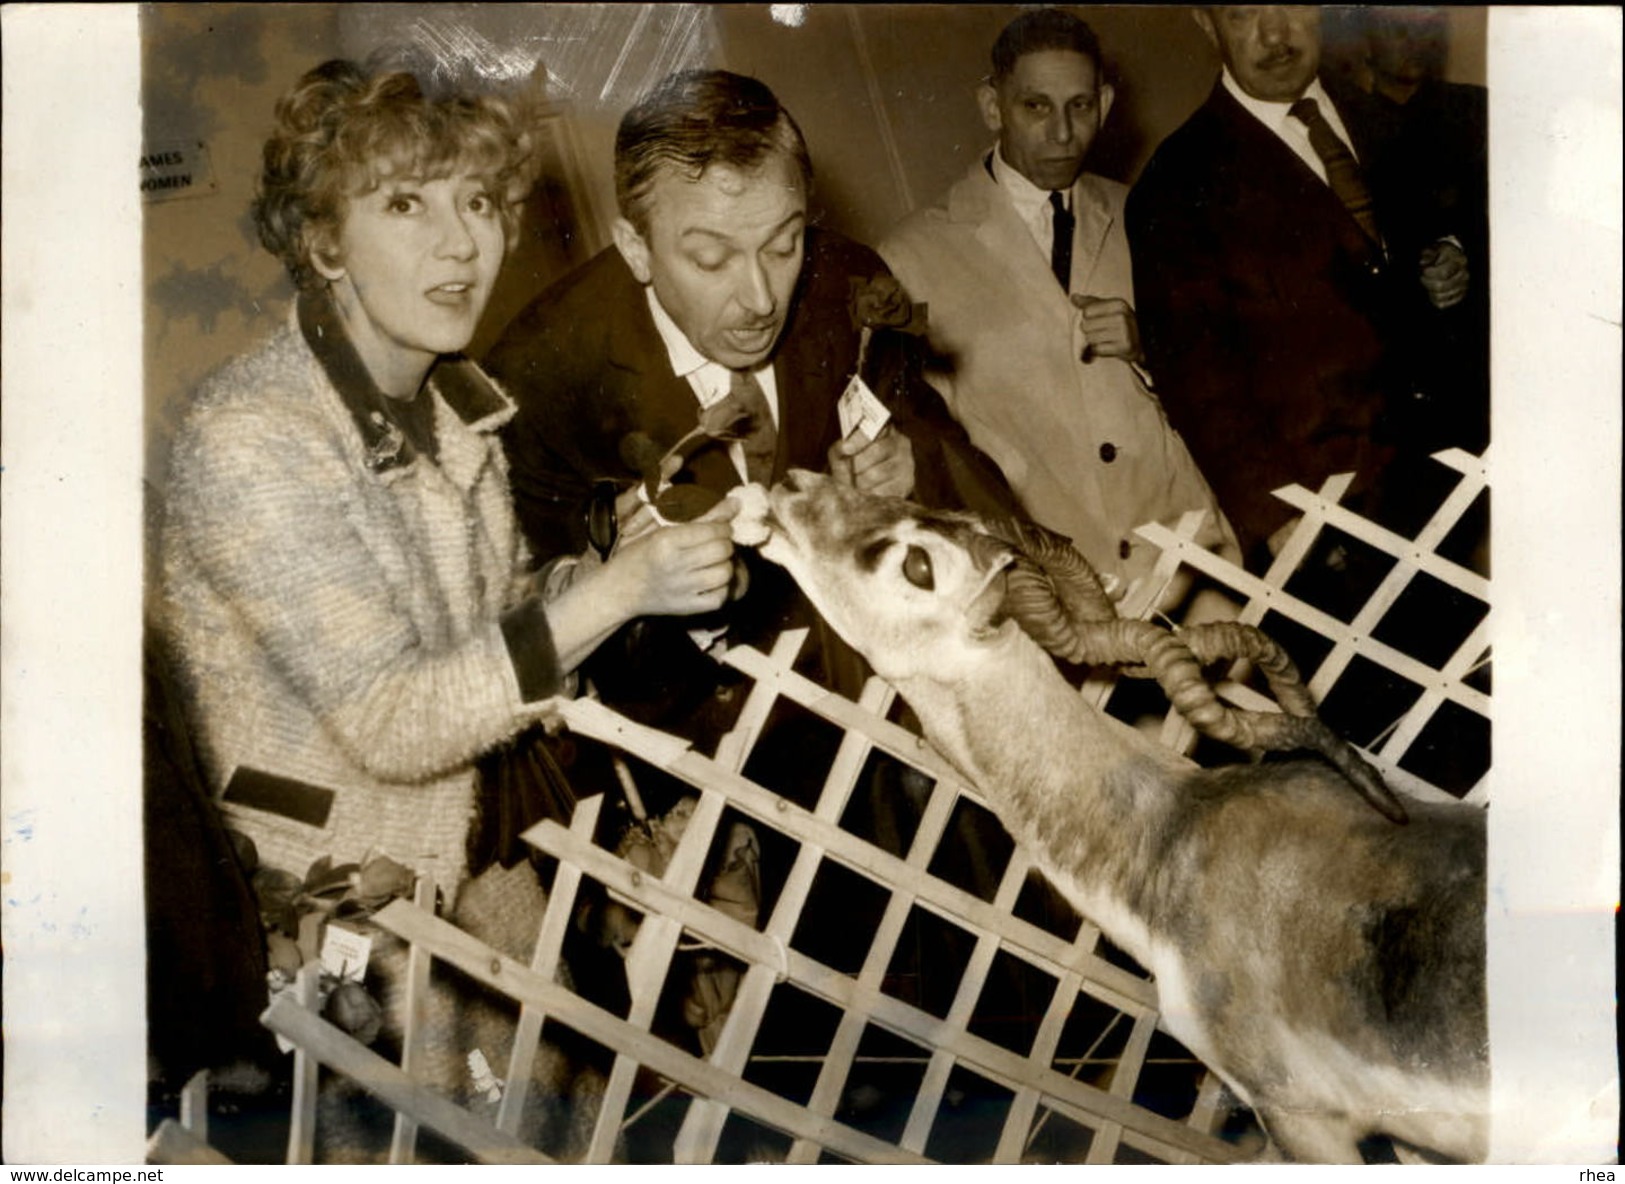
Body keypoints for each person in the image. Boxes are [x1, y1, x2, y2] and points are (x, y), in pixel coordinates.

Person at [157, 58, 730, 1158]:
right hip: (333, 921)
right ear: (323, 239)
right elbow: (394, 717)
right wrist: (611, 597)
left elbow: (501, 622)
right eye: (405, 203)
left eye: (478, 201)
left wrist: (604, 571)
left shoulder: (457, 411)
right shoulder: (253, 438)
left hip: (477, 869)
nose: (462, 245)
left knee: (563, 1138)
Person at [484, 68, 1023, 752]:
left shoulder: (843, 286)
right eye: (712, 259)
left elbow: (953, 457)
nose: (762, 296)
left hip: (902, 712)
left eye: (782, 244)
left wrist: (906, 473)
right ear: (634, 248)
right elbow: (543, 643)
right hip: (708, 763)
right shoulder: (540, 380)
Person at [881, 9, 1239, 610]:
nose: (1062, 132)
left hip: (1194, 563)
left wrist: (1152, 348)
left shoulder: (1150, 216)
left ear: (1104, 101)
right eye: (1036, 107)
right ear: (993, 107)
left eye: (1080, 106)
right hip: (1062, 595)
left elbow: (1227, 382)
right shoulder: (909, 258)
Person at [1126, 5, 1477, 563]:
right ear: (1204, 22)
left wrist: (1448, 259)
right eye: (1242, 13)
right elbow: (1197, 380)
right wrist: (1281, 517)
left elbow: (1426, 242)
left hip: (1445, 493)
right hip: (1325, 533)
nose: (1274, 35)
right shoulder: (1174, 187)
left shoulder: (1387, 120)